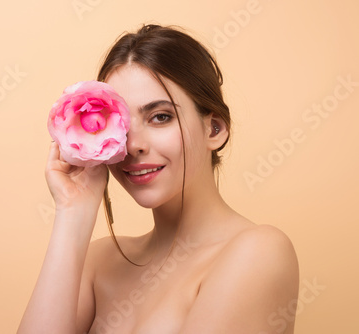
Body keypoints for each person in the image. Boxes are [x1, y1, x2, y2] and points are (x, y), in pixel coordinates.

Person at [17, 24, 299, 334]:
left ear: (214, 129)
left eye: (160, 116)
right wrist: (73, 212)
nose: (134, 144)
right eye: (120, 123)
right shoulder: (100, 262)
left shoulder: (258, 252)